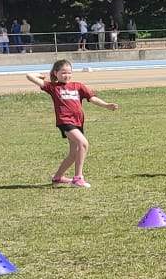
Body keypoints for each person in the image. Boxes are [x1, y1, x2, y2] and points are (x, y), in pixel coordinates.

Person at [25, 59, 118, 187]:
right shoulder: (52, 87)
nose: (67, 75)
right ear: (56, 73)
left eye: (69, 72)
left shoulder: (78, 86)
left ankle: (57, 177)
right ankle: (78, 178)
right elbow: (29, 76)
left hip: (78, 122)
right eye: (63, 72)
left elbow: (92, 98)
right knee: (83, 143)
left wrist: (106, 105)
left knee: (74, 153)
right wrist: (41, 76)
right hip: (65, 121)